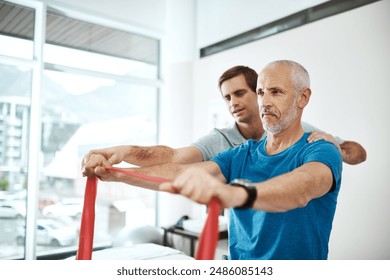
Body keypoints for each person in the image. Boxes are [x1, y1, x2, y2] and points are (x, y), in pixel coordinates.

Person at [82, 60, 345, 259]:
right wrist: (116, 172)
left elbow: (302, 188)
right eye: (262, 92)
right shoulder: (240, 152)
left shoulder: (320, 148)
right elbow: (178, 167)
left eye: (275, 92)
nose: (264, 101)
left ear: (303, 98)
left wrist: (237, 195)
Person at [81, 66, 366, 170]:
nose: (233, 103)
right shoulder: (220, 141)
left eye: (240, 93)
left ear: (259, 94)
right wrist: (121, 153)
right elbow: (173, 157)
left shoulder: (304, 133)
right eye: (227, 98)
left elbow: (358, 154)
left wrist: (335, 146)